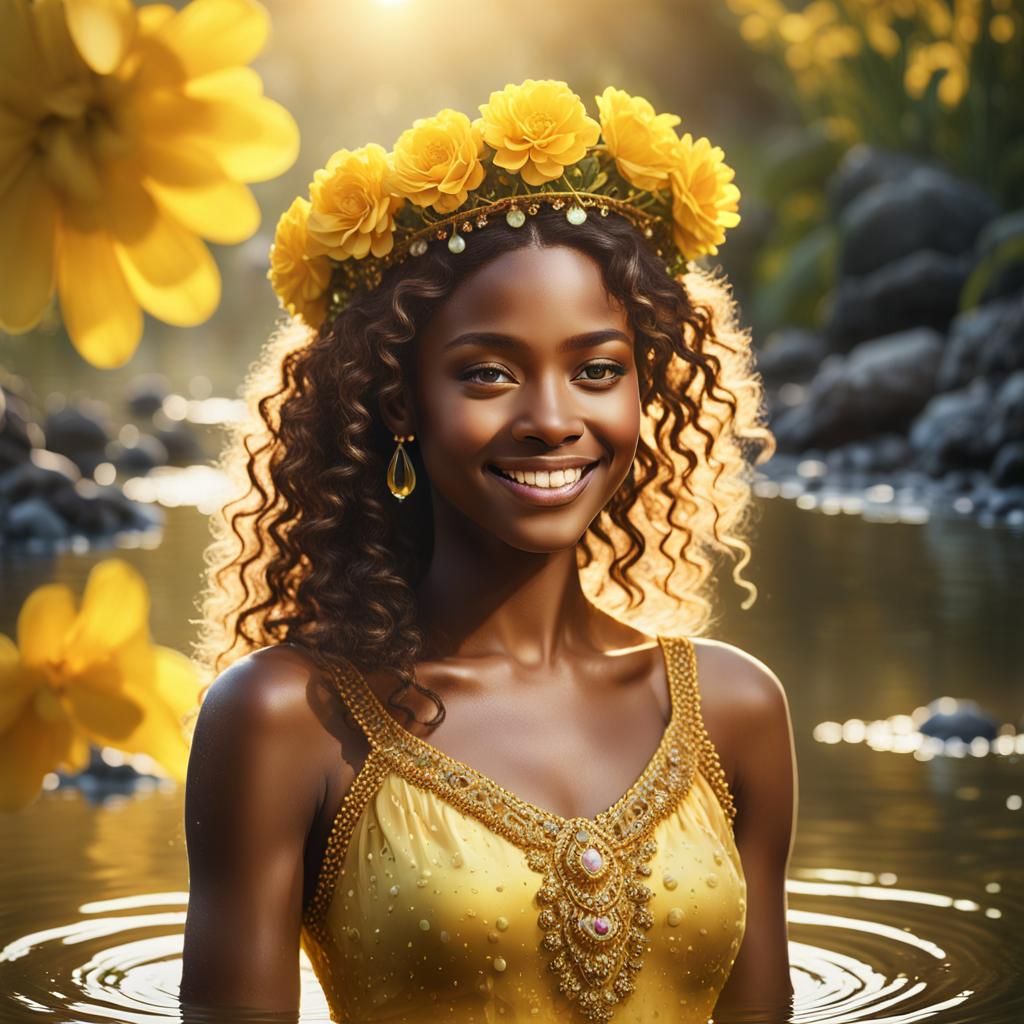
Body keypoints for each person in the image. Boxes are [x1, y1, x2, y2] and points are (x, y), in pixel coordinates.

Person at [178, 79, 797, 1024]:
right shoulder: (287, 719)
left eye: (598, 370)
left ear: (645, 391)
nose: (552, 419)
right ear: (401, 403)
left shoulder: (736, 711)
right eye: (488, 374)